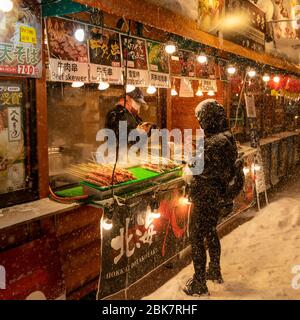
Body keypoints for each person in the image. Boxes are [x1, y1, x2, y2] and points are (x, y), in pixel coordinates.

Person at [183, 99, 238, 297]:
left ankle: (199, 283)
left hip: (206, 196)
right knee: (210, 232)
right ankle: (214, 269)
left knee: (197, 238)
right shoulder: (226, 136)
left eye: (201, 119)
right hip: (218, 196)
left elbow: (198, 169)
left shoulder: (213, 142)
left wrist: (189, 166)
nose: (200, 123)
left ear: (208, 119)